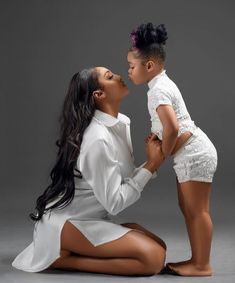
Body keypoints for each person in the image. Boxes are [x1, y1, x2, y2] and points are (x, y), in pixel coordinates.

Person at [12, 66, 166, 276]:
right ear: (99, 94)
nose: (120, 76)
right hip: (67, 223)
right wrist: (151, 165)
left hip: (92, 218)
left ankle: (80, 249)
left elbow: (122, 179)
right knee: (153, 259)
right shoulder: (97, 138)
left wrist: (151, 161)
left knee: (160, 246)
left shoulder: (120, 123)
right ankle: (63, 260)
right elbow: (114, 203)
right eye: (110, 77)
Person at [127, 23, 218, 276]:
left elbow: (173, 127)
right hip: (190, 152)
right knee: (189, 209)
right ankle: (197, 261)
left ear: (149, 66)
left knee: (197, 211)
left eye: (131, 67)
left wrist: (161, 153)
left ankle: (202, 264)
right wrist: (158, 140)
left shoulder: (157, 91)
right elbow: (169, 128)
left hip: (195, 153)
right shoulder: (160, 85)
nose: (129, 72)